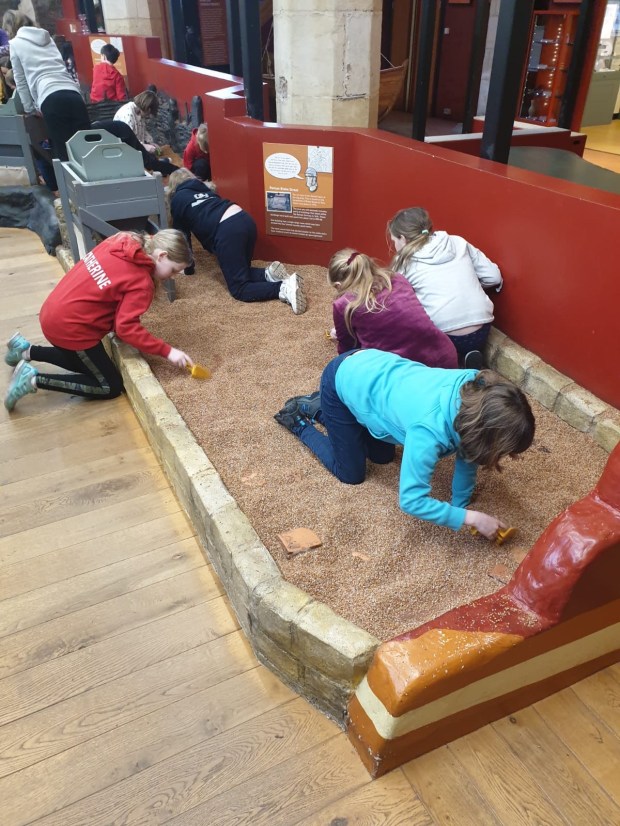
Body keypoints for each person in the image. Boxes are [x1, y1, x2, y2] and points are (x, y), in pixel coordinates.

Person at [275, 349, 535, 539]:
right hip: (341, 378)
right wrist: (469, 518)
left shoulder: (474, 391)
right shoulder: (428, 432)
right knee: (351, 474)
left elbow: (469, 454)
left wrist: (461, 504)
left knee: (382, 457)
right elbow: (410, 501)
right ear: (483, 434)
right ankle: (301, 419)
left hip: (373, 376)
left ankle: (334, 415)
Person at [4, 229, 194, 412]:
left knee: (89, 364)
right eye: (174, 270)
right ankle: (32, 380)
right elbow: (126, 328)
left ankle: (25, 351)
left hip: (53, 312)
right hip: (71, 329)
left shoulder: (122, 240)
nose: (172, 277)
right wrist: (168, 351)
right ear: (161, 256)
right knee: (109, 385)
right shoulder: (142, 283)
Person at [168, 168, 306, 312]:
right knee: (239, 271)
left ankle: (283, 288)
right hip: (244, 219)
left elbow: (182, 237)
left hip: (227, 230)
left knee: (240, 289)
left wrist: (188, 268)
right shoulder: (206, 191)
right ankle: (268, 274)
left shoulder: (178, 199)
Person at [388, 207, 503, 368]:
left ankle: (445, 363)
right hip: (481, 328)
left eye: (394, 240)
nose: (394, 245)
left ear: (403, 239)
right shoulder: (457, 242)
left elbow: (397, 303)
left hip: (443, 334)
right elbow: (494, 276)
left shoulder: (403, 261)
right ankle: (465, 358)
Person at [328, 248, 457, 368]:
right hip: (445, 356)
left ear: (338, 285)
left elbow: (348, 349)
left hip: (407, 370)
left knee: (338, 369)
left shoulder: (343, 304)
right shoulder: (397, 278)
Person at [3, 11, 90, 162]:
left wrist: (30, 109)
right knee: (88, 148)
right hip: (73, 93)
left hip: (50, 96)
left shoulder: (15, 44)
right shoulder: (47, 37)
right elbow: (60, 64)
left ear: (9, 27)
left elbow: (21, 81)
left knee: (64, 155)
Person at [91, 119, 178, 177]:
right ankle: (162, 166)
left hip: (123, 132)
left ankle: (177, 171)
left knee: (147, 162)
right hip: (116, 134)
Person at [114, 89, 158, 153]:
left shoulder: (140, 112)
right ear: (148, 109)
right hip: (123, 151)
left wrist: (150, 142)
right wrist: (144, 146)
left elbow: (142, 130)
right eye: (149, 114)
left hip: (134, 148)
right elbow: (128, 140)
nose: (148, 116)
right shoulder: (128, 115)